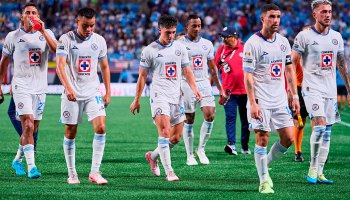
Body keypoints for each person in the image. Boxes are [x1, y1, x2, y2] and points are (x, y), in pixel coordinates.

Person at [130, 15, 202, 181]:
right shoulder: (149, 51)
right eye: (167, 32)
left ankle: (153, 156)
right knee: (164, 132)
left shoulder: (180, 48)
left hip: (177, 96)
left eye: (173, 32)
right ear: (159, 30)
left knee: (175, 138)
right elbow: (142, 77)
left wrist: (195, 89)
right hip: (159, 95)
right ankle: (170, 171)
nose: (170, 36)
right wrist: (137, 99)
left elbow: (187, 71)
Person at [243, 4, 300, 194]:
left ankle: (264, 164)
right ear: (262, 19)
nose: (276, 20)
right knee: (262, 138)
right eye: (271, 17)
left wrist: (294, 95)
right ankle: (264, 180)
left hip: (280, 99)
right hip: (261, 100)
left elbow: (289, 69)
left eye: (278, 17)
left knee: (289, 138)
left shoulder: (283, 42)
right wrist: (252, 102)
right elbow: (248, 76)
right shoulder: (253, 43)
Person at [291, 0, 350, 184]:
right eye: (323, 11)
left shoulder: (337, 37)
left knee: (327, 132)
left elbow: (341, 64)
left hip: (330, 90)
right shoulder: (304, 36)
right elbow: (292, 63)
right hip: (311, 88)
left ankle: (321, 171)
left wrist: (349, 89)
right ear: (315, 14)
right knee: (319, 126)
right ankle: (313, 167)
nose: (328, 15)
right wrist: (291, 90)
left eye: (330, 11)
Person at [0, 2, 57, 178]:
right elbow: (4, 62)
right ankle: (32, 167)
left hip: (40, 87)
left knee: (33, 129)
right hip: (21, 86)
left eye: (34, 12)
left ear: (38, 16)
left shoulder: (47, 34)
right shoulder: (13, 36)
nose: (31, 15)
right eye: (27, 13)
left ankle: (17, 159)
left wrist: (43, 31)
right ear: (22, 17)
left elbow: (57, 50)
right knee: (28, 123)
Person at [55, 7, 111, 185]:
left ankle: (95, 172)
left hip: (92, 91)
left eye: (92, 26)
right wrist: (68, 88)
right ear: (77, 22)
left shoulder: (99, 41)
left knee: (101, 127)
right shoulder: (66, 39)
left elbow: (104, 67)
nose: (89, 30)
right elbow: (60, 66)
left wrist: (107, 91)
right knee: (71, 132)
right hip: (72, 93)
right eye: (85, 26)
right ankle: (72, 174)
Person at [178, 14, 224, 165]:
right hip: (186, 84)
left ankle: (201, 149)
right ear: (187, 27)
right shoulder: (180, 44)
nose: (197, 28)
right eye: (194, 26)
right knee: (189, 119)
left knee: (210, 115)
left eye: (199, 25)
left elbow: (213, 68)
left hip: (204, 83)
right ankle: (189, 154)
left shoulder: (207, 44)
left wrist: (220, 89)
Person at [214, 26, 250, 156]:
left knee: (246, 120)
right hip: (229, 92)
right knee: (230, 118)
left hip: (246, 92)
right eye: (222, 36)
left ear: (234, 37)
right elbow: (214, 69)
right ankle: (231, 144)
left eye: (225, 36)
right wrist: (218, 87)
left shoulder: (246, 48)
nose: (223, 39)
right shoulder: (221, 50)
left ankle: (245, 146)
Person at [291, 25, 312, 162]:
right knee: (300, 123)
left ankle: (319, 152)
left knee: (320, 123)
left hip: (316, 89)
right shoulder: (296, 54)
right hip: (300, 89)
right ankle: (298, 151)